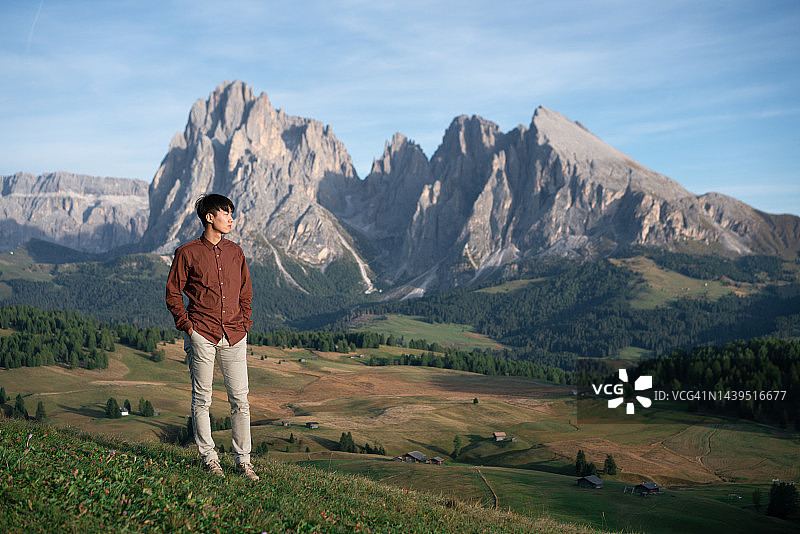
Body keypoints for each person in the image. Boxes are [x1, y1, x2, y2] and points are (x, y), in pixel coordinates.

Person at [165, 193, 259, 481]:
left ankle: (243, 460)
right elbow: (172, 293)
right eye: (226, 213)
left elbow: (246, 292)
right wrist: (188, 327)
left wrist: (245, 324)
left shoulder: (236, 252)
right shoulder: (187, 252)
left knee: (240, 400)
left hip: (234, 334)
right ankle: (209, 458)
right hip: (202, 334)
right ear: (209, 217)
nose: (231, 218)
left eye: (232, 213)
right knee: (202, 399)